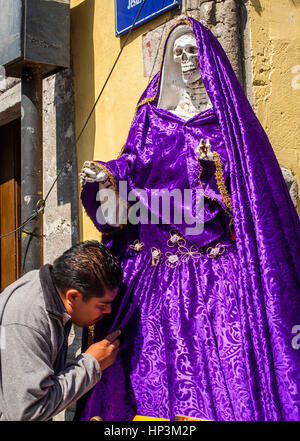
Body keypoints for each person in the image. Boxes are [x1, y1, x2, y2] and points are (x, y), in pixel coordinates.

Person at [76, 16, 300, 421]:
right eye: (177, 52)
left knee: (222, 370)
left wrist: (214, 170)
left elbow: (250, 182)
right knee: (142, 367)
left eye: (192, 50)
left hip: (214, 271)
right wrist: (105, 174)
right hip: (153, 267)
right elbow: (131, 163)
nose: (185, 58)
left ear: (208, 56)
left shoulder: (227, 121)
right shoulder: (150, 117)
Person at [0, 240, 123, 421]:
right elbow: (27, 413)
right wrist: (91, 365)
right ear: (72, 296)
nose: (109, 311)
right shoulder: (27, 321)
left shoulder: (50, 289)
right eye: (102, 305)